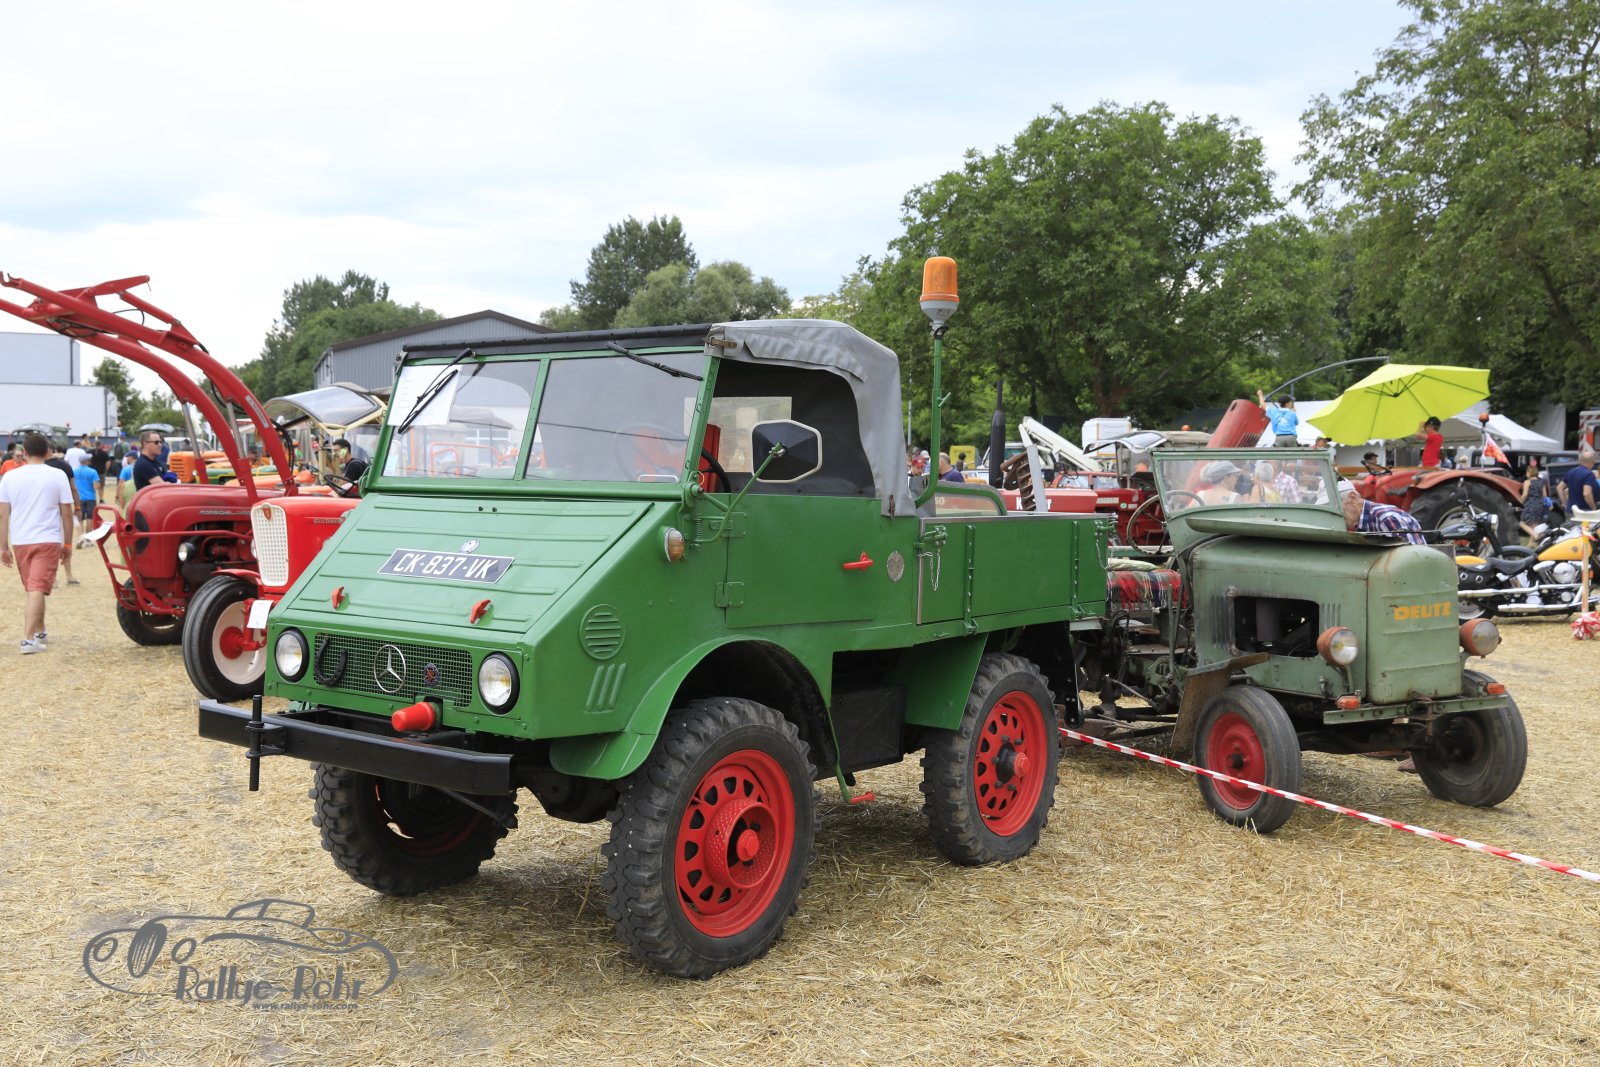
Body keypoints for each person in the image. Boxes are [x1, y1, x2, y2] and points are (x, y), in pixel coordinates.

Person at [0, 433, 74, 653]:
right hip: (48, 539)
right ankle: (28, 639)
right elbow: (67, 514)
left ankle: (40, 631)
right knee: (37, 588)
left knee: (34, 588)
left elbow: (3, 515)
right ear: (47, 451)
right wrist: (68, 544)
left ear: (24, 452)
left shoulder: (9, 477)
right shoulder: (58, 475)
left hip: (21, 540)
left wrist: (3, 546)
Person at [1340, 479, 1426, 545]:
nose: (1336, 514)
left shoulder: (1388, 520)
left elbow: (1411, 559)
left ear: (1353, 498)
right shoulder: (1356, 524)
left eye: (1337, 507)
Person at [43, 444, 80, 586]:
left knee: (49, 543)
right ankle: (69, 575)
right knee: (66, 543)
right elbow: (73, 488)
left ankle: (52, 578)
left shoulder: (40, 467)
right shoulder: (65, 466)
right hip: (63, 509)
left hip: (46, 510)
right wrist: (77, 507)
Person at [1520, 458, 1552, 541]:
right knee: (1534, 526)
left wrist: (1520, 502)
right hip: (1539, 505)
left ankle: (1536, 536)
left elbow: (1525, 495)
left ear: (1529, 473)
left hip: (1530, 504)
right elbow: (1545, 496)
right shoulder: (1542, 482)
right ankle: (1532, 544)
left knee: (1522, 523)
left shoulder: (1527, 482)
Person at [1559, 449, 1599, 514]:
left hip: (1571, 511)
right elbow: (1586, 493)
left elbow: (1559, 487)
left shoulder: (1571, 472)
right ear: (1592, 461)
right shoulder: (1589, 474)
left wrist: (1566, 504)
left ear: (1581, 461)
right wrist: (1593, 508)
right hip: (1584, 512)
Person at [72, 461, 99, 545]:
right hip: (90, 497)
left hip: (79, 498)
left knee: (79, 518)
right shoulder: (93, 471)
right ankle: (88, 539)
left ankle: (80, 537)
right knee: (90, 518)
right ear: (87, 461)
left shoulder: (74, 471)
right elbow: (96, 486)